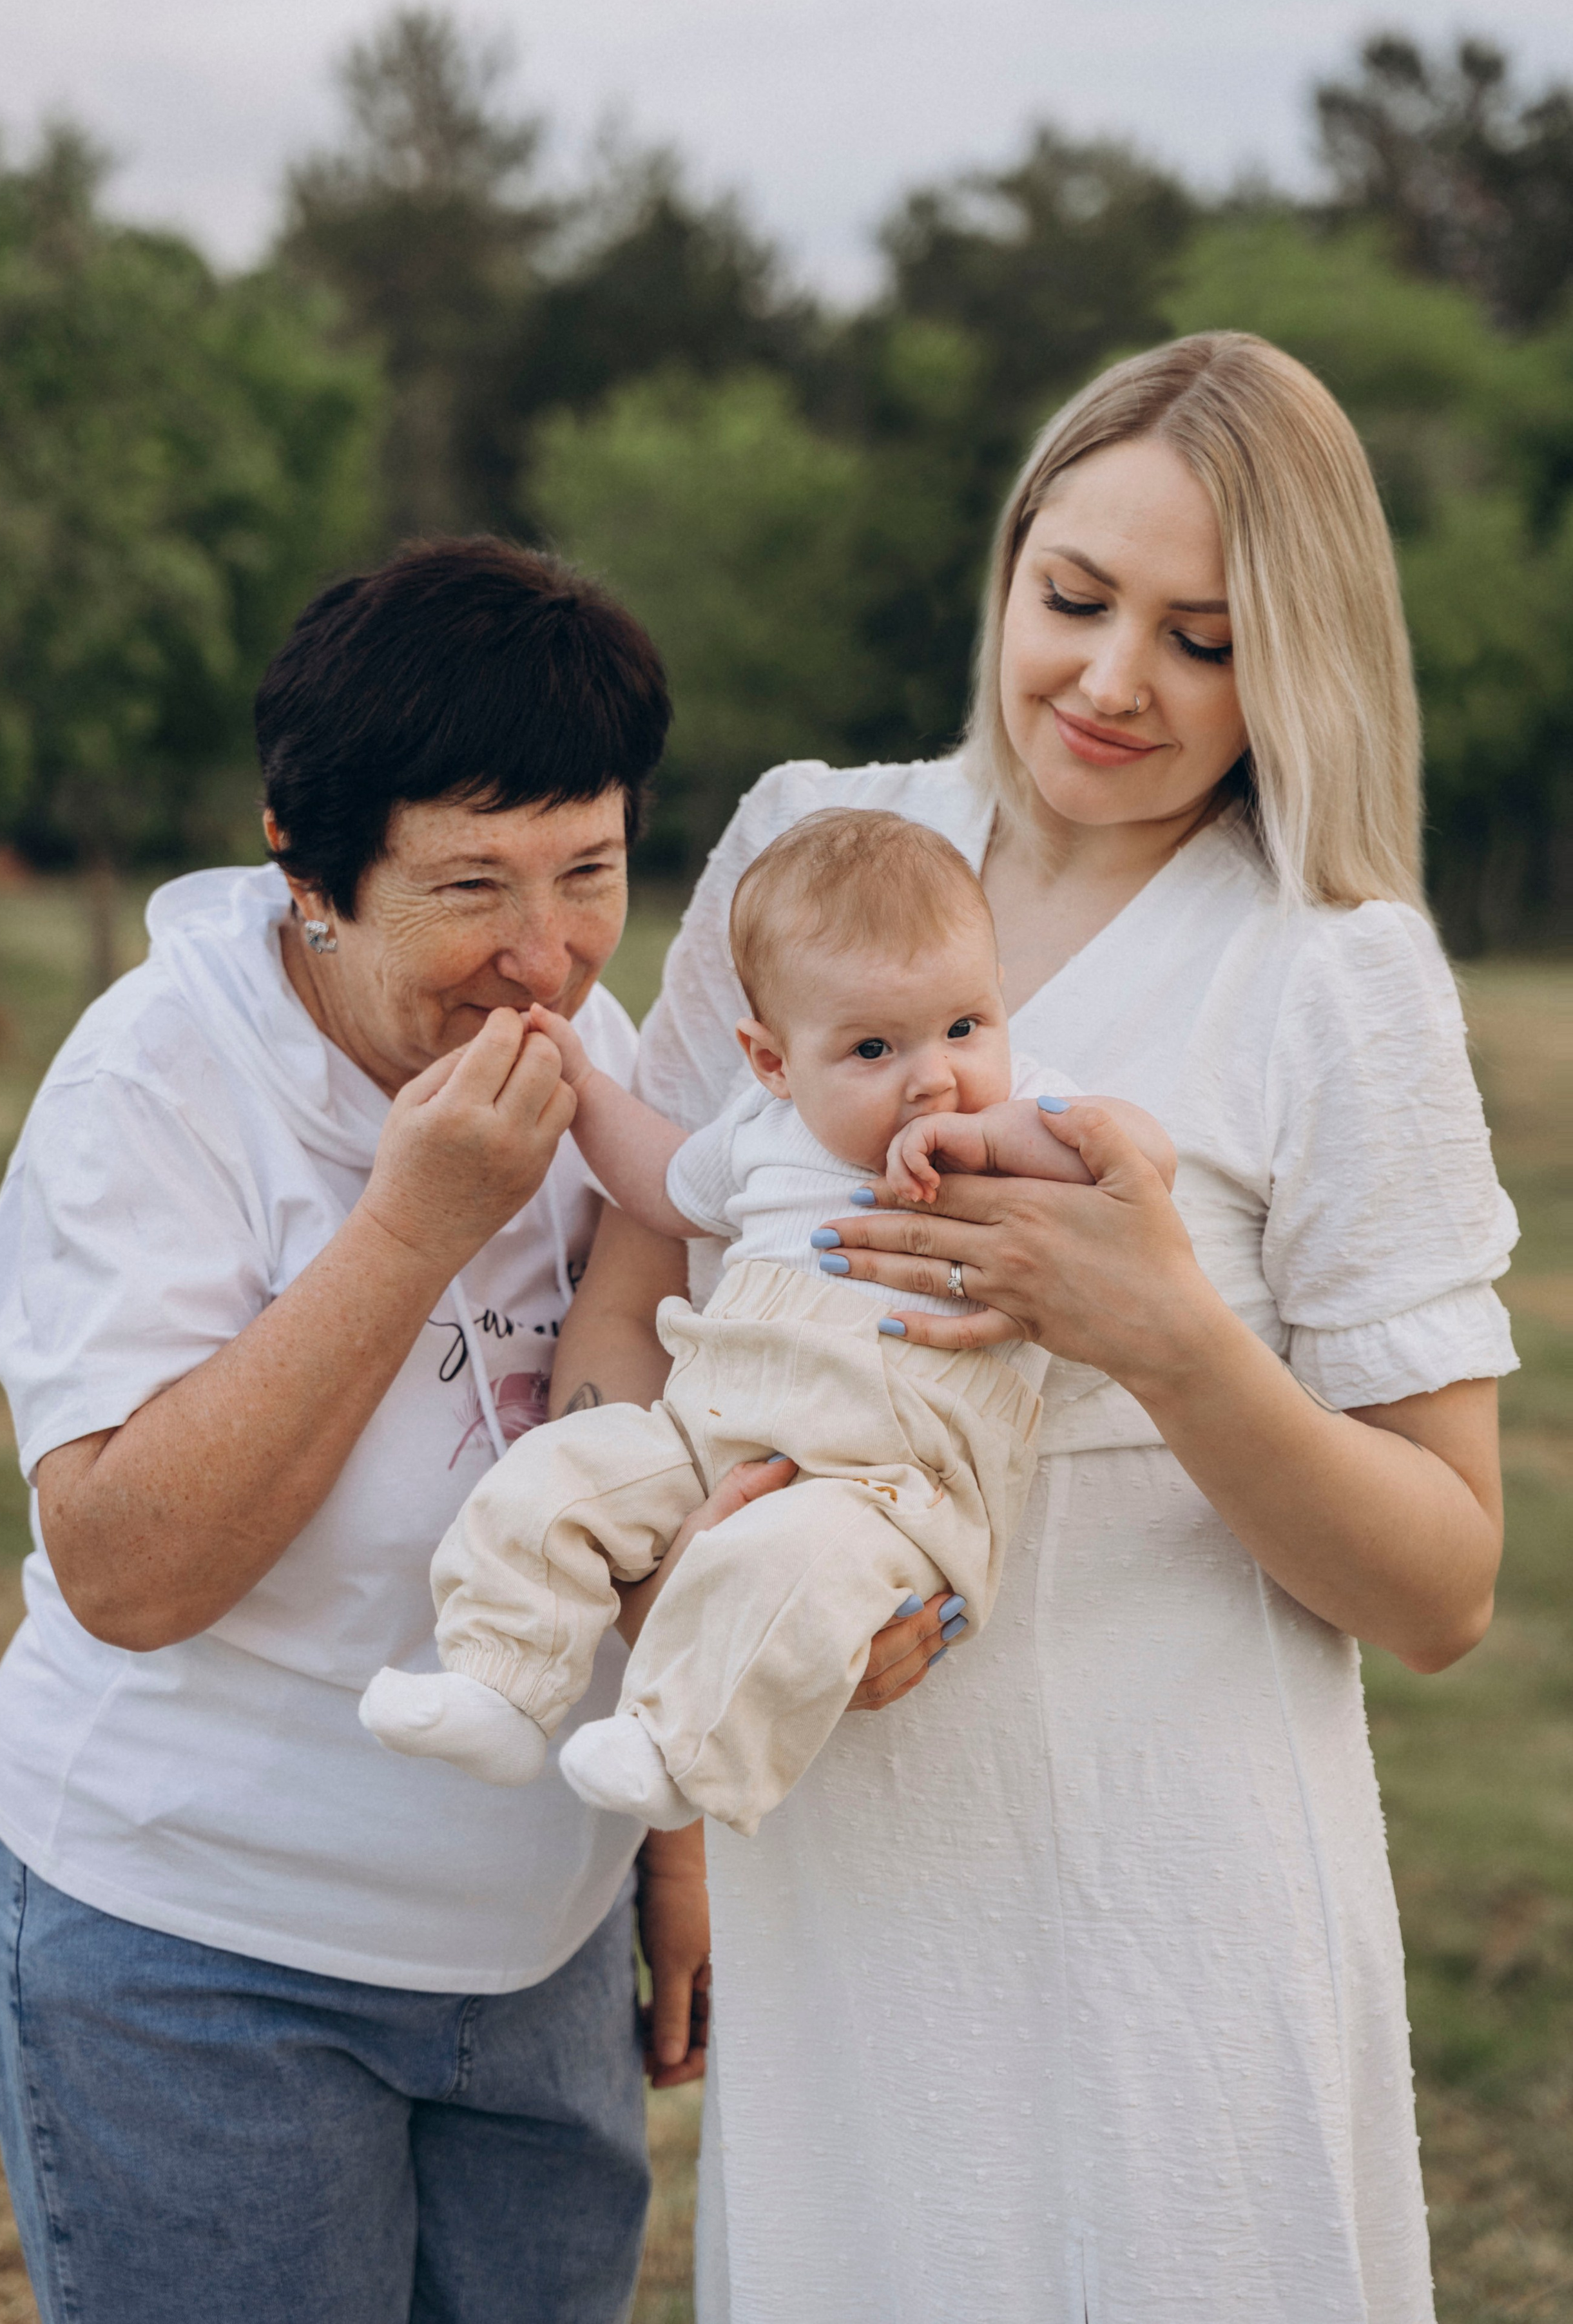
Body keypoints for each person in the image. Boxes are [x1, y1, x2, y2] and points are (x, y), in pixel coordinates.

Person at [552, 334, 1519, 2323]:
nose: (1110, 680)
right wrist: (677, 1759)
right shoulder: (814, 846)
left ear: (1298, 668)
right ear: (1007, 566)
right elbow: (639, 1298)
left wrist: (1166, 1332)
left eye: (1204, 640)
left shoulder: (1338, 974)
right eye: (1074, 599)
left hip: (1174, 1891)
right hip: (850, 1870)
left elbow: (1442, 1588)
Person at [0, 535, 764, 2324]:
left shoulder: (591, 1032)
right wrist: (411, 1226)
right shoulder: (150, 1087)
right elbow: (127, 1571)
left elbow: (623, 1446)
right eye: (472, 886)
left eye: (590, 872)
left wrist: (668, 1842)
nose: (544, 957)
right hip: (202, 1952)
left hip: (535, 1945)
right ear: (304, 859)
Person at [361, 808, 1175, 1839]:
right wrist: (583, 1082)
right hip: (705, 1430)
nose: (935, 1074)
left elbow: (1143, 1157)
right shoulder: (763, 1133)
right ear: (773, 1061)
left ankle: (680, 1750)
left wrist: (1000, 1133)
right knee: (552, 1476)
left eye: (967, 1027)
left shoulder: (1024, 1122)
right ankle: (499, 1682)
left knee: (785, 1568)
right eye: (875, 1047)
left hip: (887, 1483)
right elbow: (659, 1182)